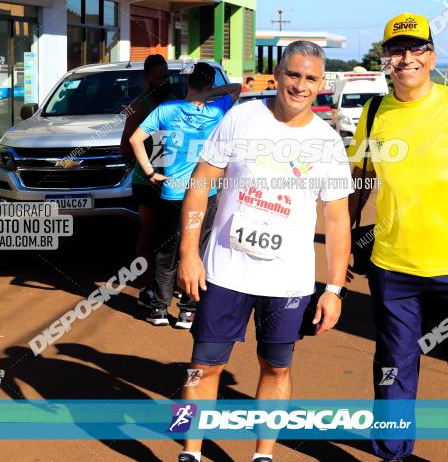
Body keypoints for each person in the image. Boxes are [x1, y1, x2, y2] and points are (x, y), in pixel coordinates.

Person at [176, 40, 352, 462]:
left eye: (310, 78)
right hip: (224, 271)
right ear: (278, 75)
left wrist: (334, 289)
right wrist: (188, 251)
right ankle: (190, 454)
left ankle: (263, 455)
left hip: (286, 280)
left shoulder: (326, 142)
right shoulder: (240, 118)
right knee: (205, 366)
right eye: (293, 75)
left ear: (321, 84)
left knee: (276, 368)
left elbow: (337, 219)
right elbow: (201, 183)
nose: (300, 85)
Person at [348, 13, 448, 462]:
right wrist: (346, 241)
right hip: (392, 269)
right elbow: (360, 179)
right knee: (392, 370)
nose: (406, 58)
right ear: (385, 59)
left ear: (432, 55)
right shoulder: (375, 112)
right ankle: (392, 453)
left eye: (415, 48)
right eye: (396, 50)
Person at [129, 63, 241, 328]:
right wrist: (213, 92)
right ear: (210, 83)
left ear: (188, 82)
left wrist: (150, 171)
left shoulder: (166, 110)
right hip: (205, 192)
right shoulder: (218, 108)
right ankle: (188, 311)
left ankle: (158, 308)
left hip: (172, 191)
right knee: (198, 251)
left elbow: (135, 140)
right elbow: (237, 88)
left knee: (165, 251)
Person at [120, 54, 170, 290]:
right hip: (147, 181)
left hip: (173, 179)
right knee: (149, 233)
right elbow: (126, 146)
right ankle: (147, 284)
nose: (163, 80)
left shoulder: (173, 102)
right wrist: (146, 166)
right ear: (147, 78)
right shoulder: (139, 107)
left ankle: (167, 283)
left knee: (171, 234)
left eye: (166, 75)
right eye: (158, 76)